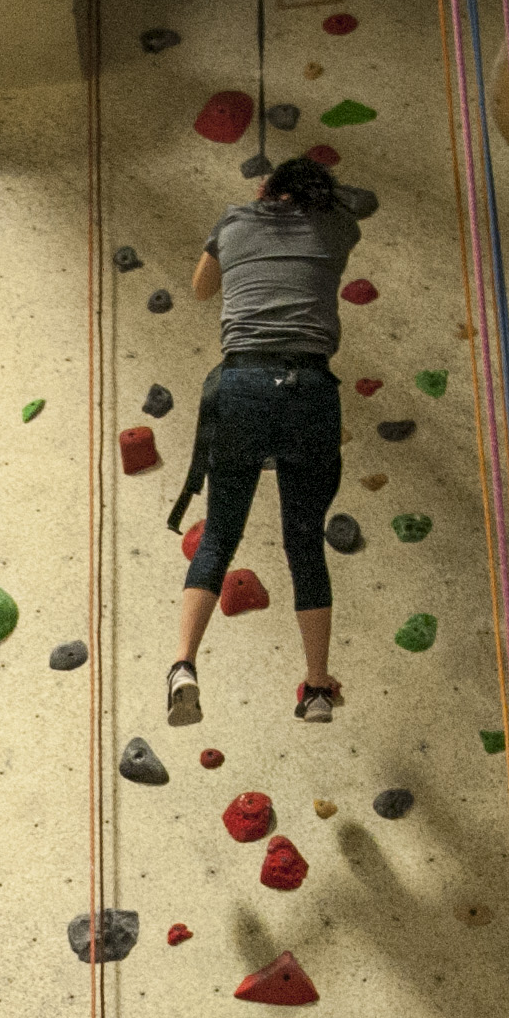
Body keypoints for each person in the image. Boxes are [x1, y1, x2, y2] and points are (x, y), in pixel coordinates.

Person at [168, 156, 363, 727]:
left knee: (221, 534)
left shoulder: (233, 222)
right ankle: (318, 689)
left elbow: (201, 289)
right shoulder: (337, 227)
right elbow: (348, 207)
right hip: (309, 390)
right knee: (304, 541)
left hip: (242, 385)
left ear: (265, 189)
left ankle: (183, 665)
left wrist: (244, 214)